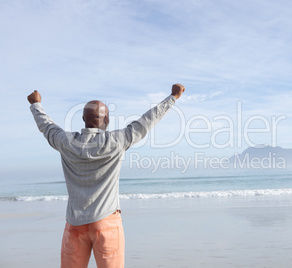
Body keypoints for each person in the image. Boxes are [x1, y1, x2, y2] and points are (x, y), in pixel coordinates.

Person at [27, 84, 185, 268]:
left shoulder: (65, 142)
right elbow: (147, 121)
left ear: (84, 119)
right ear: (107, 119)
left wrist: (36, 104)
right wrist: (173, 97)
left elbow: (46, 126)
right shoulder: (117, 140)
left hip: (75, 224)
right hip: (107, 222)